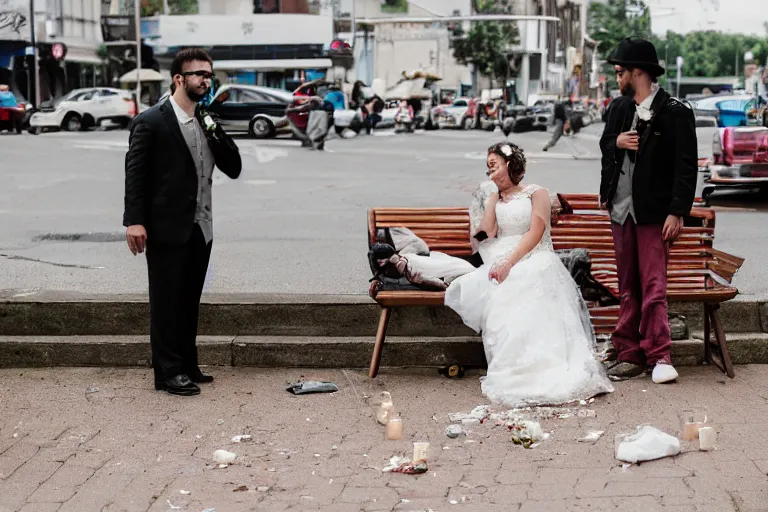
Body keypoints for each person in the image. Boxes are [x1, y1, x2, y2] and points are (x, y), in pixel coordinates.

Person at [444, 142, 614, 407]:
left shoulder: (538, 193)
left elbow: (536, 232)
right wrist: (486, 202)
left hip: (534, 255)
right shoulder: (494, 198)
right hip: (501, 256)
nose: (491, 173)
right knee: (497, 291)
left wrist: (509, 262)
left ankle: (544, 367)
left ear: (511, 166)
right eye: (488, 168)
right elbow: (486, 233)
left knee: (529, 279)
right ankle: (515, 371)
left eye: (494, 166)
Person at [123, 48, 242, 396]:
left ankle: (187, 364)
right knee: (166, 301)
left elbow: (233, 168)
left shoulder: (207, 119)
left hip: (201, 228)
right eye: (199, 74)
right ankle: (167, 372)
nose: (206, 79)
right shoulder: (152, 121)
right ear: (179, 79)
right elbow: (136, 176)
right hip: (165, 226)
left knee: (190, 300)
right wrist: (135, 222)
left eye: (209, 74)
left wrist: (213, 128)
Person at [599, 37, 697, 384]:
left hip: (654, 213)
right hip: (620, 211)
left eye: (620, 70)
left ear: (637, 72)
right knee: (627, 285)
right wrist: (617, 142)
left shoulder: (675, 112)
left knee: (653, 286)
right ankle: (628, 353)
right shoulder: (618, 107)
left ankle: (659, 355)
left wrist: (677, 211)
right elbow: (604, 144)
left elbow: (686, 168)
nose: (617, 76)